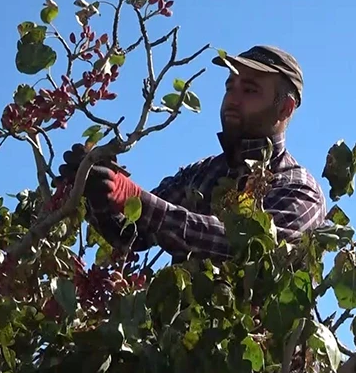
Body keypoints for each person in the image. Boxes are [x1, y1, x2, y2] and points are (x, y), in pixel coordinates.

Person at [55, 45, 327, 263]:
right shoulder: (201, 173)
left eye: (250, 90)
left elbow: (248, 249)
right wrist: (98, 190)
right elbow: (131, 234)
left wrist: (134, 197)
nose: (233, 98)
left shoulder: (298, 188)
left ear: (285, 109)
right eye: (230, 87)